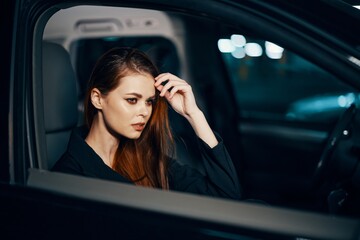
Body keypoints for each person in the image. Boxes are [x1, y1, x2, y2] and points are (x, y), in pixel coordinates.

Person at [52, 47, 241, 200]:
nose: (145, 111)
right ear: (97, 99)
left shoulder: (147, 158)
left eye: (149, 101)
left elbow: (226, 196)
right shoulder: (68, 177)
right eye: (132, 100)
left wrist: (193, 114)